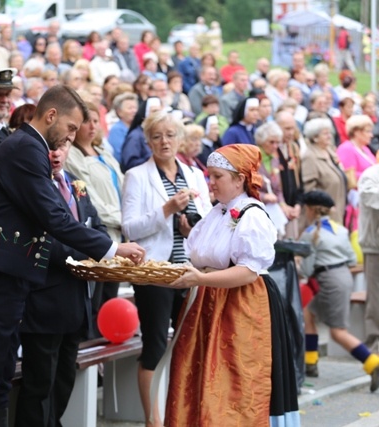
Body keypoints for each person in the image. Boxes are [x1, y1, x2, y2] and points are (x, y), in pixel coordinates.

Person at [0, 85, 145, 427]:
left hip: (10, 274)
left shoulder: (29, 148)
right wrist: (113, 248)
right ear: (51, 115)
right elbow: (53, 217)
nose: (71, 136)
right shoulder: (26, 148)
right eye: (71, 128)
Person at [165, 143, 300, 426]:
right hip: (209, 301)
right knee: (202, 374)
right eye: (210, 176)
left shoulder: (251, 214)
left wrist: (201, 278)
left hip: (242, 304)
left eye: (217, 177)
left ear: (239, 179)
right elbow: (204, 258)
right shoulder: (219, 212)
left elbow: (248, 272)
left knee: (236, 381)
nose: (210, 183)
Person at [122, 111, 211, 427]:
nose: (164, 141)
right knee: (156, 344)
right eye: (157, 136)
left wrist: (191, 229)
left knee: (189, 344)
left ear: (180, 139)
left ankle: (183, 413)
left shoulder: (195, 175)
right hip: (155, 273)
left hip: (189, 271)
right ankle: (153, 419)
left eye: (171, 135)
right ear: (148, 141)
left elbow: (207, 222)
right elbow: (130, 228)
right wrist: (166, 210)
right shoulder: (136, 175)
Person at [15, 137, 108, 427]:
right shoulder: (34, 186)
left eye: (62, 147)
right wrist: (91, 254)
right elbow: (48, 238)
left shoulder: (77, 183)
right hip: (45, 299)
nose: (56, 154)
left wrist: (103, 247)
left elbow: (96, 223)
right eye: (50, 148)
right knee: (39, 383)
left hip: (77, 300)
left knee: (65, 378)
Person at [297, 190, 379, 389]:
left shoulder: (309, 235)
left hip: (329, 281)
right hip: (344, 277)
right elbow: (352, 258)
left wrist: (298, 265)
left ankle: (373, 364)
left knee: (337, 332)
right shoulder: (341, 229)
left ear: (309, 210)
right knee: (309, 314)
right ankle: (310, 363)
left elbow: (307, 270)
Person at [65, 101, 124, 336]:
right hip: (99, 233)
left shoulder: (105, 154)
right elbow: (89, 199)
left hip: (119, 234)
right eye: (86, 120)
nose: (92, 126)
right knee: (95, 300)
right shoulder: (73, 157)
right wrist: (121, 218)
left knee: (110, 298)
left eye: (95, 121)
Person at [301, 118, 347, 224]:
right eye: (325, 134)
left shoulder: (330, 151)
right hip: (322, 217)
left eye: (329, 133)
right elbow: (309, 189)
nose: (329, 136)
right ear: (315, 137)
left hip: (338, 209)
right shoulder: (310, 157)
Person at [359, 165, 379, 363]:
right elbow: (370, 197)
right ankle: (375, 352)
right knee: (376, 302)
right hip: (375, 248)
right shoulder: (370, 175)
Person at [120, 97, 162, 172]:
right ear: (145, 114)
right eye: (154, 111)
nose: (158, 115)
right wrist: (154, 159)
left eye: (160, 111)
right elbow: (130, 164)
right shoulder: (135, 136)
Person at [337, 115, 377, 182]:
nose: (371, 135)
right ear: (356, 132)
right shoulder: (346, 149)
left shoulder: (365, 148)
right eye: (368, 131)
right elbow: (351, 176)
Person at [107, 92, 138, 162]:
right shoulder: (116, 130)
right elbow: (119, 155)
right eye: (130, 108)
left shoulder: (138, 128)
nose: (134, 111)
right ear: (119, 112)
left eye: (135, 108)